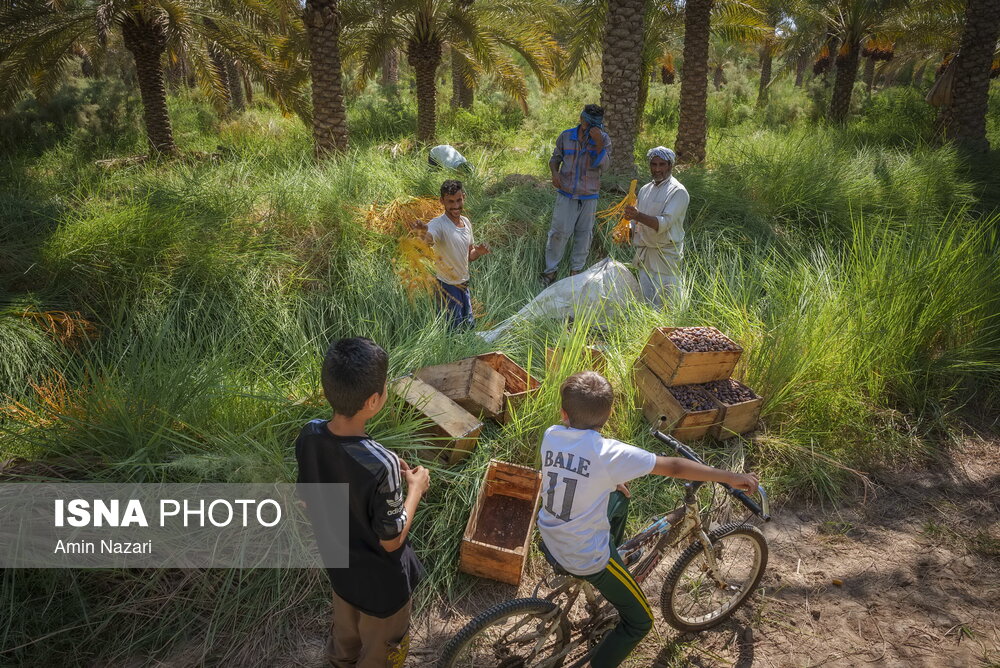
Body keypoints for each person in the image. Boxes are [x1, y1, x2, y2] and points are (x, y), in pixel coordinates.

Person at [537, 371, 759, 668]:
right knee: (640, 622)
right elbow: (676, 467)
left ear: (564, 413)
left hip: (549, 533)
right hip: (586, 556)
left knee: (618, 498)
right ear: (609, 413)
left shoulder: (552, 434)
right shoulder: (607, 453)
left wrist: (609, 481)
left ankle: (616, 550)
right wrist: (730, 477)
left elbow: (571, 471)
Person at [296, 337, 430, 668]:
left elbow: (309, 501)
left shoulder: (309, 435)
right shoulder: (381, 465)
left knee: (345, 637)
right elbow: (392, 540)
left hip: (342, 574)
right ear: (373, 400)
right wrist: (415, 488)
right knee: (381, 654)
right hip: (383, 590)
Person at [542, 104, 612, 287]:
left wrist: (597, 143)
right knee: (558, 233)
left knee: (584, 235)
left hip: (589, 196)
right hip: (566, 193)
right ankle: (550, 271)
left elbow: (604, 166)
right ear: (581, 119)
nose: (588, 127)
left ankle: (576, 272)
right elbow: (555, 158)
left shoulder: (603, 140)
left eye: (593, 124)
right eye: (586, 122)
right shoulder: (566, 136)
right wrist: (555, 174)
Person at [414, 180, 490, 330]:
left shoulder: (466, 223)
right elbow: (429, 238)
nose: (455, 206)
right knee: (453, 331)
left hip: (463, 285)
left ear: (464, 197)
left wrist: (479, 252)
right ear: (442, 201)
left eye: (458, 200)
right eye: (450, 201)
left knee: (468, 327)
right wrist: (423, 233)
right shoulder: (438, 224)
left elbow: (469, 255)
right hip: (447, 287)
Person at [622, 146, 690, 307]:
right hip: (645, 255)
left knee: (668, 304)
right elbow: (636, 221)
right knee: (647, 303)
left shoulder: (678, 192)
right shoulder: (645, 189)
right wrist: (627, 231)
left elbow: (664, 223)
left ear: (670, 166)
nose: (657, 169)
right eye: (654, 165)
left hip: (665, 256)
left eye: (662, 165)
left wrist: (637, 215)